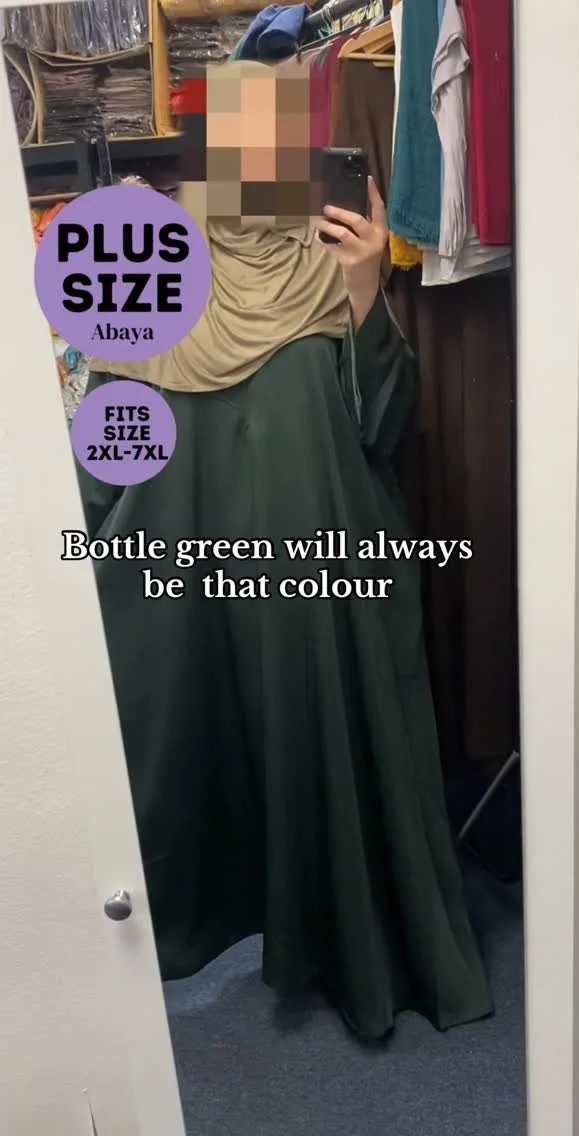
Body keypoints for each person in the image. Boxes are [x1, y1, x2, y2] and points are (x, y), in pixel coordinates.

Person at [76, 61, 492, 1041]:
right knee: (204, 748)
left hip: (323, 580)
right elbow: (108, 447)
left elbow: (384, 424)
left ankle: (351, 943)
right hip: (192, 585)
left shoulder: (326, 257)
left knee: (323, 748)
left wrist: (364, 288)